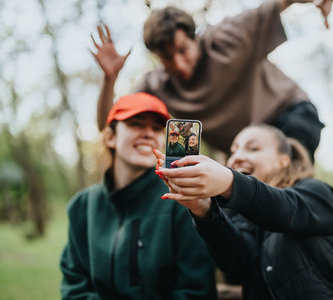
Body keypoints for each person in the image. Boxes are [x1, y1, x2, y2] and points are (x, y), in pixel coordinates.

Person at [91, 0, 333, 162]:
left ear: (195, 38)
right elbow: (109, 125)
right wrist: (109, 79)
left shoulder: (227, 37)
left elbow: (281, 2)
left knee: (283, 178)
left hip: (288, 114)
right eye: (166, 58)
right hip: (240, 147)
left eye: (183, 50)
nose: (179, 64)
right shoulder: (158, 86)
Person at [154, 124, 333, 300]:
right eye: (233, 150)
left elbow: (285, 210)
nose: (236, 157)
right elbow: (237, 267)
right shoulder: (240, 215)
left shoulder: (317, 193)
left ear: (283, 161)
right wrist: (203, 209)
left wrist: (230, 183)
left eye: (253, 148)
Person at [60, 92, 216, 299]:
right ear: (110, 137)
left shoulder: (183, 202)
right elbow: (74, 287)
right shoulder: (82, 206)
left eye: (157, 128)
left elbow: (196, 291)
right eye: (136, 123)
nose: (148, 133)